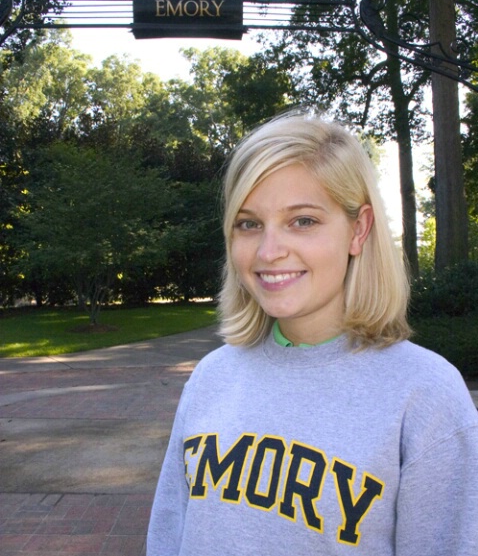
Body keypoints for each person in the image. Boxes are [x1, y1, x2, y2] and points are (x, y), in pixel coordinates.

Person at [147, 110, 478, 556]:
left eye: (302, 220)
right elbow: (168, 536)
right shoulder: (211, 377)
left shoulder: (425, 396)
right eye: (249, 223)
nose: (269, 250)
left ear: (358, 230)